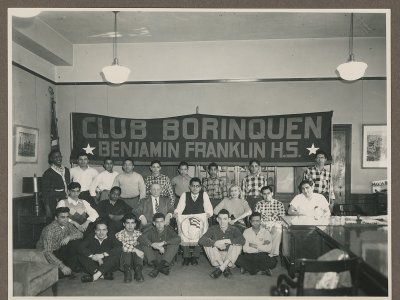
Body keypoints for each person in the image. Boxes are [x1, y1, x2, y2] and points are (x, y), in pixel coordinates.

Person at [174, 177, 213, 266]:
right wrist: (176, 213)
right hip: (187, 220)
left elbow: (209, 209)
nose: (195, 188)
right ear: (189, 187)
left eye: (197, 186)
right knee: (183, 232)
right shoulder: (185, 194)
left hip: (199, 221)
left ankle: (195, 256)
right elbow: (180, 208)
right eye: (193, 186)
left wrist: (208, 214)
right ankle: (186, 256)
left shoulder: (204, 194)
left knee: (201, 233)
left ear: (200, 187)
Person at [36, 207, 83, 278]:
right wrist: (62, 266)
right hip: (46, 255)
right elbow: (47, 252)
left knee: (76, 242)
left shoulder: (67, 224)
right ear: (56, 218)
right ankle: (65, 269)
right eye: (62, 217)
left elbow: (80, 234)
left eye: (67, 217)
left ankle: (70, 268)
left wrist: (69, 237)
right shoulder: (49, 230)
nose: (66, 220)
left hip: (59, 250)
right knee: (56, 275)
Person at [198, 209, 245, 279]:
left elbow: (242, 240)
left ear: (229, 220)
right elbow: (201, 240)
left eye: (225, 219)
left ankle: (221, 269)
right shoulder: (213, 228)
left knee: (237, 245)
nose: (222, 222)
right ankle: (224, 268)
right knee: (208, 243)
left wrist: (227, 240)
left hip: (230, 260)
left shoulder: (234, 229)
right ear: (217, 219)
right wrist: (215, 243)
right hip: (217, 258)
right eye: (220, 219)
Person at [138, 213, 181, 278]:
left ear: (164, 222)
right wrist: (152, 244)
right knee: (145, 244)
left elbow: (178, 239)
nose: (160, 224)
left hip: (166, 257)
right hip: (154, 258)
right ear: (154, 223)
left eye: (161, 222)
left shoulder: (169, 230)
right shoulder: (151, 230)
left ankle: (157, 269)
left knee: (175, 244)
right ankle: (161, 268)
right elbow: (140, 238)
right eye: (157, 222)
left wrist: (164, 243)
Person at [254, 185, 285, 257]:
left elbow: (282, 219)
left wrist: (275, 225)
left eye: (268, 193)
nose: (266, 196)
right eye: (264, 194)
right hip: (263, 224)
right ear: (262, 195)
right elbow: (256, 218)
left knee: (278, 231)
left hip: (275, 224)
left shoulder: (279, 204)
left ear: (272, 193)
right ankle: (263, 251)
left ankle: (272, 253)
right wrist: (264, 225)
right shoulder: (259, 204)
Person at [42, 149, 71, 221]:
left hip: (66, 200)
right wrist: (47, 207)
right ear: (51, 159)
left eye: (59, 156)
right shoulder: (48, 173)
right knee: (57, 222)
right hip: (54, 202)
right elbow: (45, 192)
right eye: (55, 157)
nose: (58, 158)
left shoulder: (66, 170)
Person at [115, 213, 144, 283]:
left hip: (137, 261)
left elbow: (143, 246)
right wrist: (135, 250)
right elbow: (123, 245)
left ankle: (138, 270)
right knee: (126, 250)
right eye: (128, 223)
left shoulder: (139, 234)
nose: (130, 225)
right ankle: (127, 272)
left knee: (138, 245)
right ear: (124, 224)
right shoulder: (119, 234)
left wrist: (136, 247)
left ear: (135, 224)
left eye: (132, 223)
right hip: (125, 261)